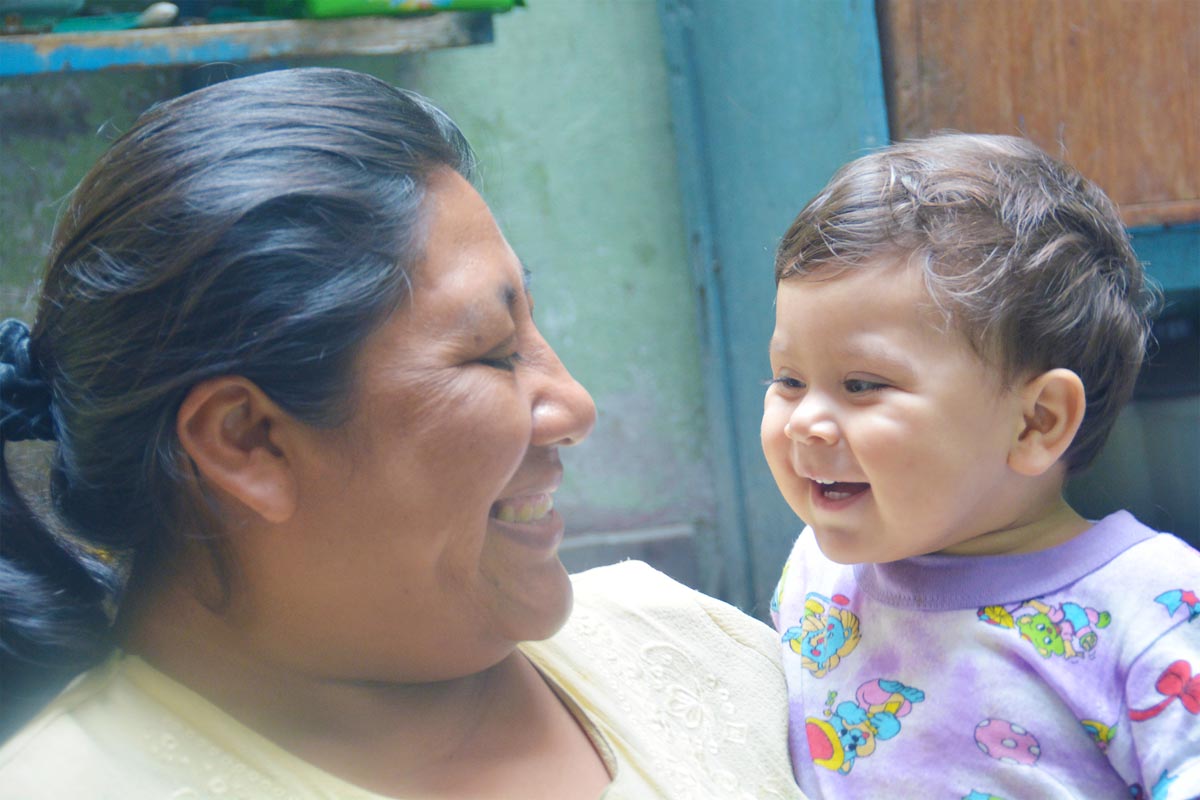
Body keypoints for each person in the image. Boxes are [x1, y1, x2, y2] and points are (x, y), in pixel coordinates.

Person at [0, 67, 803, 799]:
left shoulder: (696, 651)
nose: (573, 405)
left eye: (530, 323)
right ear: (247, 441)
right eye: (493, 355)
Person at [761, 133, 1200, 798]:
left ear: (1036, 421)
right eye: (789, 380)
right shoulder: (816, 577)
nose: (803, 420)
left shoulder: (1151, 610)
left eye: (860, 385)